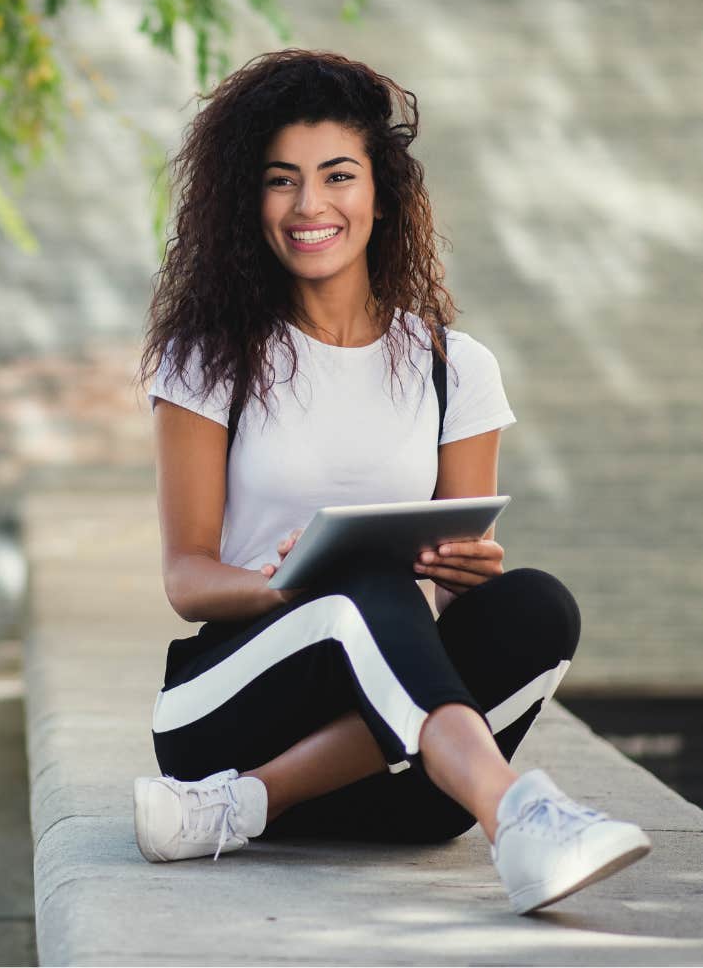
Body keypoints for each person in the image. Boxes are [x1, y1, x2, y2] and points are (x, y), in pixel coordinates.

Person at [132, 49, 650, 915]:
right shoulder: (208, 359)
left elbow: (449, 614)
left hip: (396, 789)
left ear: (383, 190)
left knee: (537, 605)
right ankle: (517, 813)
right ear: (245, 200)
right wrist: (286, 584)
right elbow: (186, 577)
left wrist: (463, 571)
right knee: (361, 579)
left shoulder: (456, 368)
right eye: (280, 181)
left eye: (338, 175)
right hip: (221, 717)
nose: (310, 207)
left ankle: (251, 804)